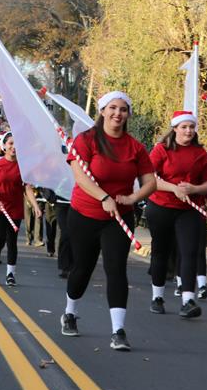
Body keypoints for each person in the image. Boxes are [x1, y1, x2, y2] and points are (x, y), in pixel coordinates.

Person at [59, 92, 156, 352]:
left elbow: (151, 182)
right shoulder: (85, 140)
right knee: (83, 268)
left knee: (116, 269)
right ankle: (70, 312)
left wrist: (132, 197)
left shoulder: (135, 147)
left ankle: (118, 331)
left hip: (119, 216)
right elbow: (80, 177)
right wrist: (103, 197)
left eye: (123, 109)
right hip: (85, 214)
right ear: (102, 111)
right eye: (112, 108)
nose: (118, 113)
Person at [146, 110, 207, 318]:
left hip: (189, 210)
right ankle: (157, 296)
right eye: (184, 127)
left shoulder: (201, 154)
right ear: (174, 129)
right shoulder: (161, 150)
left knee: (189, 252)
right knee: (161, 251)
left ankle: (188, 300)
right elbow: (149, 178)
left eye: (191, 127)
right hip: (161, 206)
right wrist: (173, 188)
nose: (188, 131)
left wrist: (194, 189)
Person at [0, 132, 41, 286]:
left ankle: (10, 274)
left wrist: (35, 206)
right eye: (10, 144)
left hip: (15, 209)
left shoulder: (23, 167)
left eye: (16, 144)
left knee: (12, 241)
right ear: (4, 146)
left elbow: (27, 189)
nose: (14, 147)